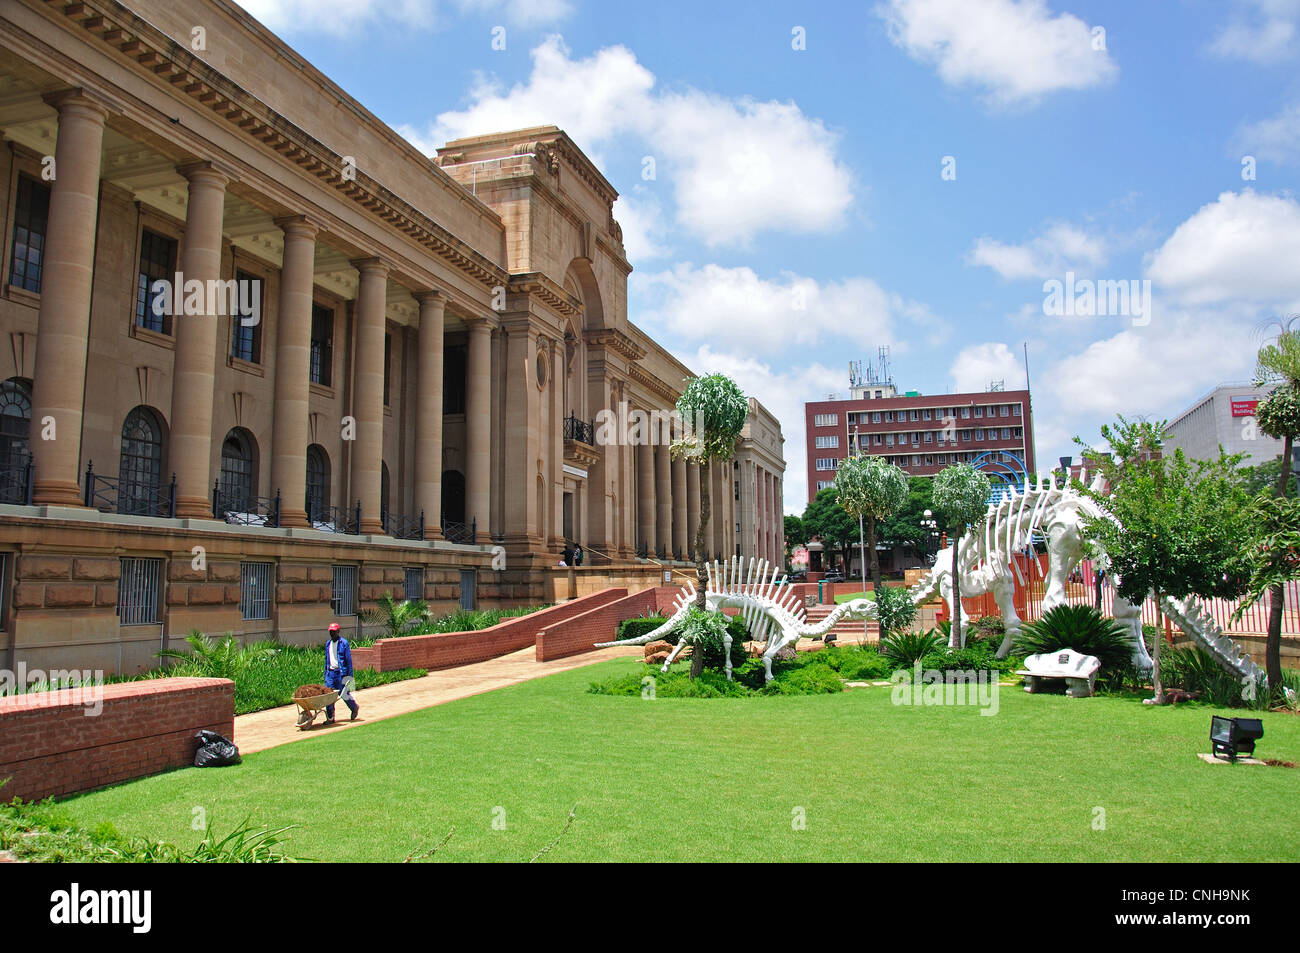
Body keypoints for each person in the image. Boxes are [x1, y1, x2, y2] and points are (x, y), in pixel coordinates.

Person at [323, 622, 359, 723]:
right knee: (329, 696)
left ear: (338, 632)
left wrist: (349, 677)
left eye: (334, 632)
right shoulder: (328, 644)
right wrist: (326, 673)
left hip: (341, 673)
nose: (332, 634)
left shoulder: (344, 643)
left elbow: (348, 661)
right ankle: (330, 718)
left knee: (344, 694)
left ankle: (354, 708)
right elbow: (327, 659)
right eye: (331, 632)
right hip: (330, 673)